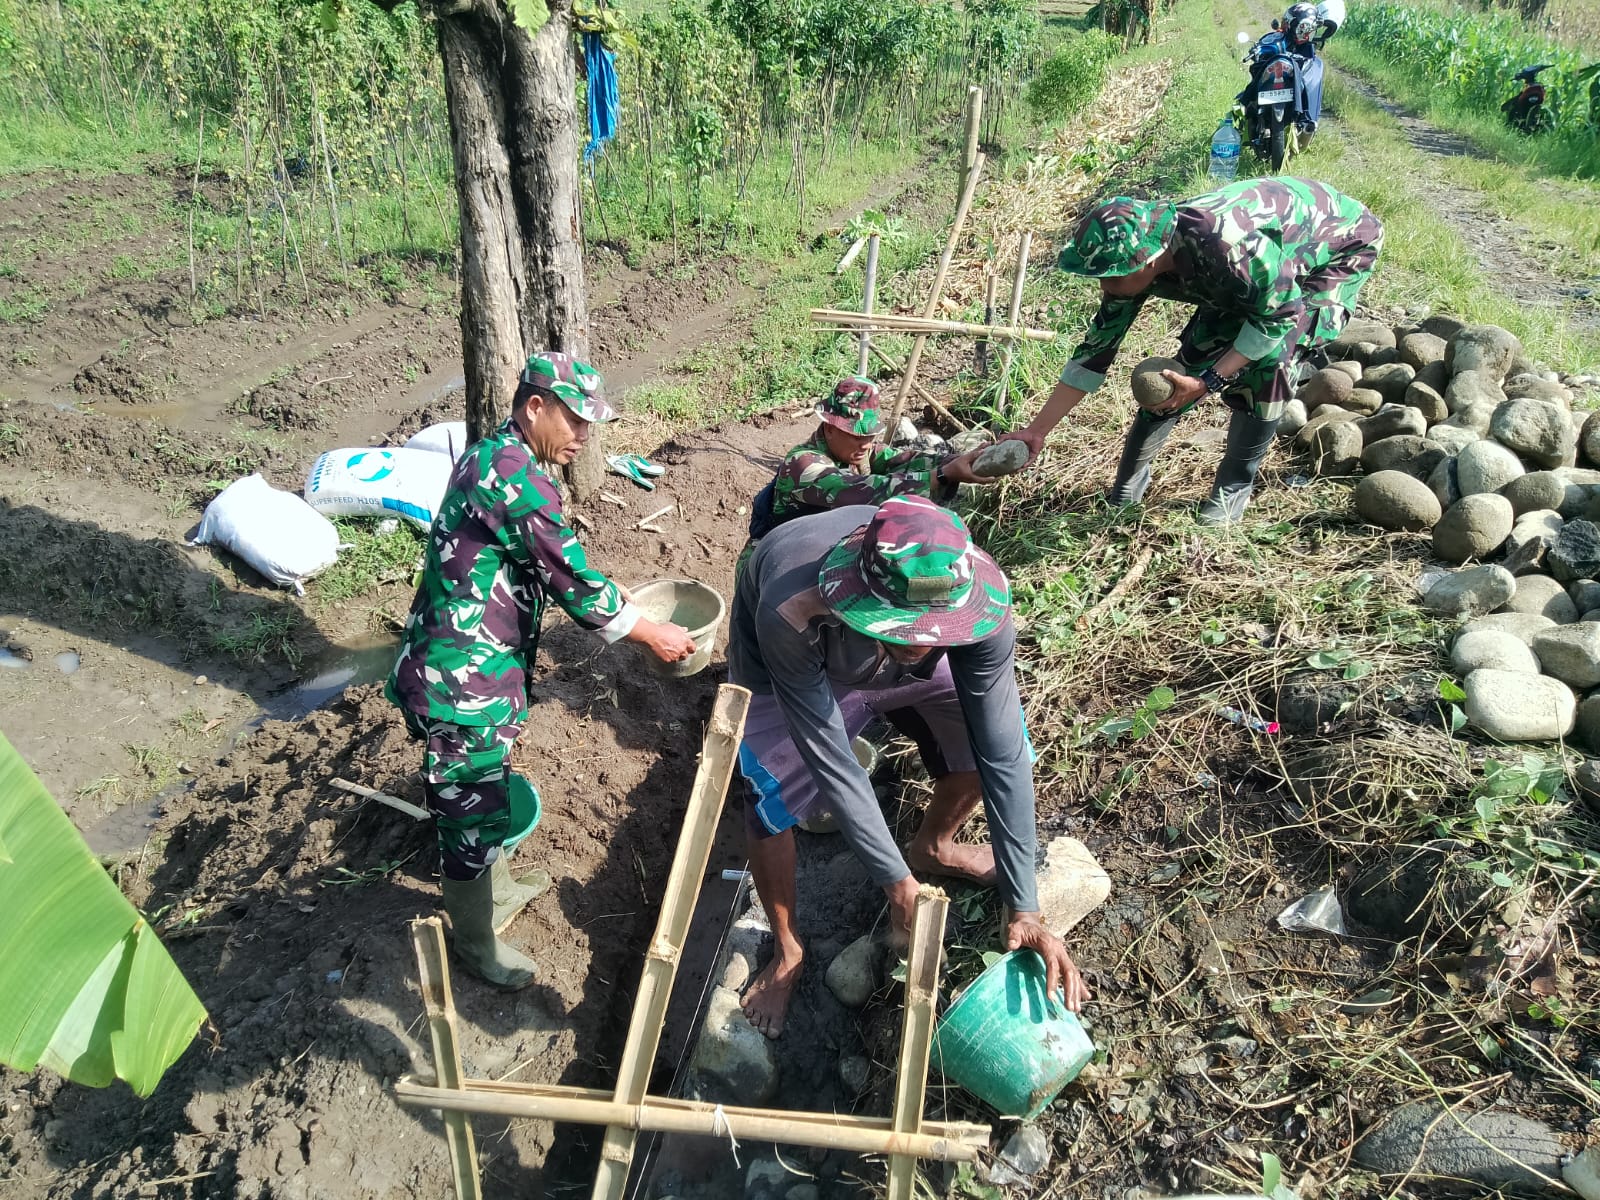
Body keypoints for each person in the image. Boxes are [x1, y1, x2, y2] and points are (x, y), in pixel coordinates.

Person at [728, 493, 1091, 1037]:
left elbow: (1003, 752)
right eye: (898, 627)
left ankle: (936, 846)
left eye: (930, 632)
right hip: (799, 669)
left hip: (886, 651)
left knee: (976, 738)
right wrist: (896, 882)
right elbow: (830, 757)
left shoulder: (982, 606)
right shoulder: (792, 605)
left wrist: (1025, 908)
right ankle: (788, 950)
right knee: (770, 795)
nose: (914, 646)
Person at [387, 351, 696, 990]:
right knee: (470, 803)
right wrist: (648, 631)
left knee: (487, 785)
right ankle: (474, 943)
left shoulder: (500, 456)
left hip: (476, 665)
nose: (585, 436)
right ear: (535, 407)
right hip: (461, 681)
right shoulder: (512, 475)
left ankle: (492, 891)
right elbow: (574, 581)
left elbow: (551, 561)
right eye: (576, 420)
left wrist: (623, 606)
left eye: (591, 423)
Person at [1008, 178, 1382, 525]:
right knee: (1185, 364)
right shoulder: (1137, 265)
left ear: (1149, 259)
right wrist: (1036, 431)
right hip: (1256, 270)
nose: (1106, 284)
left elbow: (1280, 316)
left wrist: (1209, 381)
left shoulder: (1228, 249)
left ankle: (1232, 489)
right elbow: (1096, 350)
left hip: (1337, 241)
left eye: (1113, 274)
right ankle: (1128, 485)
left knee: (1272, 361)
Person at [746, 376, 989, 544]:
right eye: (857, 436)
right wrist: (942, 476)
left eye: (871, 436)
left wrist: (965, 460)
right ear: (829, 428)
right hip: (770, 563)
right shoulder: (804, 464)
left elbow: (906, 460)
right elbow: (862, 491)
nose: (866, 444)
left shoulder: (860, 452)